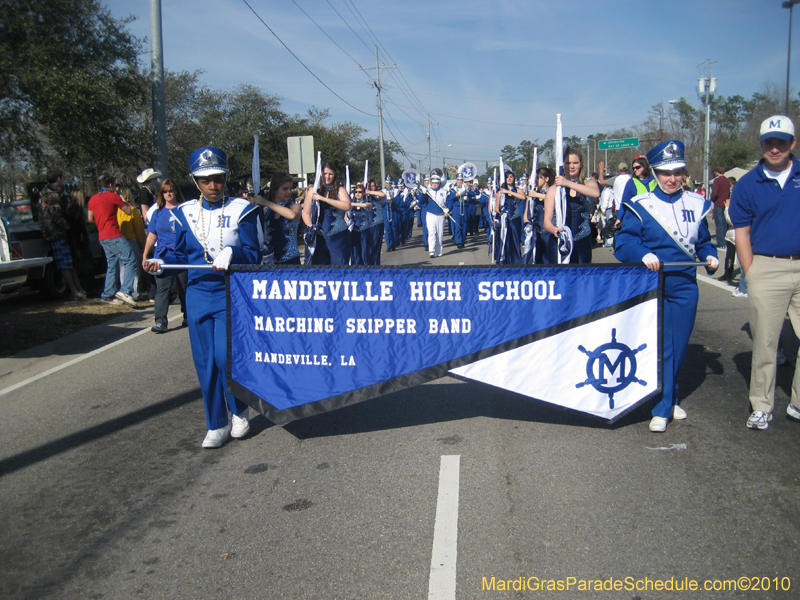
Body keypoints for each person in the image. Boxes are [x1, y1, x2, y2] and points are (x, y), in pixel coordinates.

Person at [145, 146, 261, 448]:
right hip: (197, 294)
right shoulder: (185, 214)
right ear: (195, 181)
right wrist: (161, 261)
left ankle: (238, 410)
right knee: (205, 362)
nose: (213, 185)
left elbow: (255, 255)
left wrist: (232, 252)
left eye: (218, 178)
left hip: (230, 292)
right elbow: (177, 253)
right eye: (205, 180)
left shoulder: (241, 209)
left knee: (226, 358)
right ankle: (215, 423)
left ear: (225, 178)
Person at [615, 140, 718, 432]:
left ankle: (669, 396)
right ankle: (661, 407)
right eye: (665, 172)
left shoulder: (696, 204)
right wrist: (643, 254)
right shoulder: (641, 205)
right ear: (655, 173)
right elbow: (624, 244)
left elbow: (704, 241)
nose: (671, 178)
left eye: (677, 172)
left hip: (685, 284)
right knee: (663, 347)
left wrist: (709, 255)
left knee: (679, 345)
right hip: (653, 284)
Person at [729, 115, 800, 430]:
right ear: (761, 144)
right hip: (765, 267)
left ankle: (797, 403)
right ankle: (761, 405)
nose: (775, 148)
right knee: (766, 342)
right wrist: (752, 272)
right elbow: (741, 234)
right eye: (769, 142)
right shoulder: (747, 184)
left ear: (792, 144)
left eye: (781, 142)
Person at [142, 179, 187, 333]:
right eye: (165, 191)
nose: (168, 194)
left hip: (181, 254)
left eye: (171, 190)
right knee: (163, 288)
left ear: (176, 191)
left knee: (184, 287)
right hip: (162, 255)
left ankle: (188, 316)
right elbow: (152, 236)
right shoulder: (158, 212)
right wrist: (145, 255)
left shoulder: (185, 210)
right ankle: (160, 321)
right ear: (161, 193)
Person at [88, 174, 137, 306]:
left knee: (112, 264)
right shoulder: (113, 196)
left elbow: (90, 218)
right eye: (115, 185)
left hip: (102, 236)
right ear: (111, 185)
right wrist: (121, 195)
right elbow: (128, 211)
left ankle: (107, 294)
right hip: (114, 234)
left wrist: (100, 223)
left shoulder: (93, 199)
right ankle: (126, 290)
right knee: (130, 260)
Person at [543, 148, 600, 264]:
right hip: (560, 241)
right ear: (563, 165)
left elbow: (596, 193)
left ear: (581, 164)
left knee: (582, 277)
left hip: (582, 240)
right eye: (568, 163)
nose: (572, 166)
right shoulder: (554, 190)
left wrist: (568, 183)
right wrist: (553, 229)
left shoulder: (589, 184)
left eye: (575, 163)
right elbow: (546, 221)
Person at [38, 171, 86, 299]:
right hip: (56, 233)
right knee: (65, 263)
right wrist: (68, 228)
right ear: (58, 179)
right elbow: (56, 216)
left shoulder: (48, 193)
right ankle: (74, 291)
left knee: (70, 262)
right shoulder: (52, 195)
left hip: (58, 233)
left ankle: (79, 288)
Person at [302, 162, 351, 265]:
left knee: (339, 267)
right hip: (319, 237)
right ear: (320, 174)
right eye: (325, 173)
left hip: (338, 236)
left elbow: (347, 206)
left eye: (330, 174)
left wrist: (324, 199)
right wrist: (311, 228)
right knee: (320, 268)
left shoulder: (339, 189)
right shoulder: (313, 190)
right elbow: (306, 213)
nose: (327, 177)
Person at [253, 173, 302, 265]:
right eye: (285, 189)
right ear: (275, 189)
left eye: (290, 189)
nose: (289, 192)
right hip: (271, 261)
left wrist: (267, 202)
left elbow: (292, 215)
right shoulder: (265, 210)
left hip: (291, 261)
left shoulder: (295, 206)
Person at [118, 188, 148, 300]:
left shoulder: (116, 211)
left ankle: (124, 289)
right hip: (132, 241)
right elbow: (139, 230)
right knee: (134, 268)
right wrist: (143, 243)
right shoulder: (133, 210)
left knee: (122, 267)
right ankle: (134, 292)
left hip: (120, 241)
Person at [419, 173, 455, 258]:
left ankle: (439, 250)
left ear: (439, 183)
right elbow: (421, 202)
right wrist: (423, 194)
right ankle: (431, 251)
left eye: (436, 183)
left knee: (439, 234)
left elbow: (450, 202)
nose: (435, 184)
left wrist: (448, 209)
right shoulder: (428, 192)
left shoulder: (444, 192)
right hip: (430, 215)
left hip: (440, 215)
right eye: (433, 183)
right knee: (432, 233)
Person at [494, 169, 527, 264]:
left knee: (516, 239)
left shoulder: (518, 190)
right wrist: (499, 210)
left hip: (515, 217)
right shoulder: (501, 191)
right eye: (507, 177)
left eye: (511, 177)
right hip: (505, 218)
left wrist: (510, 192)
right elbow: (497, 206)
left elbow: (523, 197)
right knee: (505, 239)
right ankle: (504, 260)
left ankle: (516, 261)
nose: (509, 178)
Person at [710, 165, 731, 249]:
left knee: (719, 223)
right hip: (725, 202)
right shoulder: (727, 181)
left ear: (716, 172)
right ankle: (726, 240)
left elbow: (715, 193)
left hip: (718, 203)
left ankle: (720, 241)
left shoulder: (717, 181)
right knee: (725, 223)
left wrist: (712, 199)